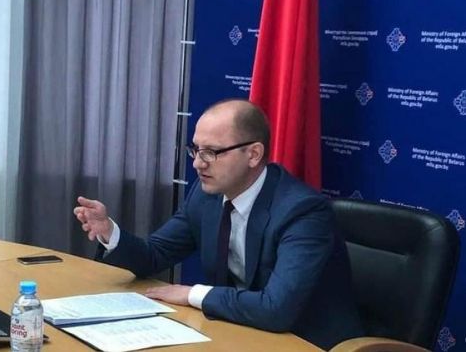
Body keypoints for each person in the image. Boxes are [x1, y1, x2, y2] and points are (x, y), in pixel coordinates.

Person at [74, 99, 364, 349]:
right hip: (240, 332)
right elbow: (154, 255)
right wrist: (110, 232)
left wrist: (192, 293)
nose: (198, 164)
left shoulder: (303, 212)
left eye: (211, 152)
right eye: (196, 150)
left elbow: (276, 309)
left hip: (305, 341)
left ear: (253, 154)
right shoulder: (206, 195)